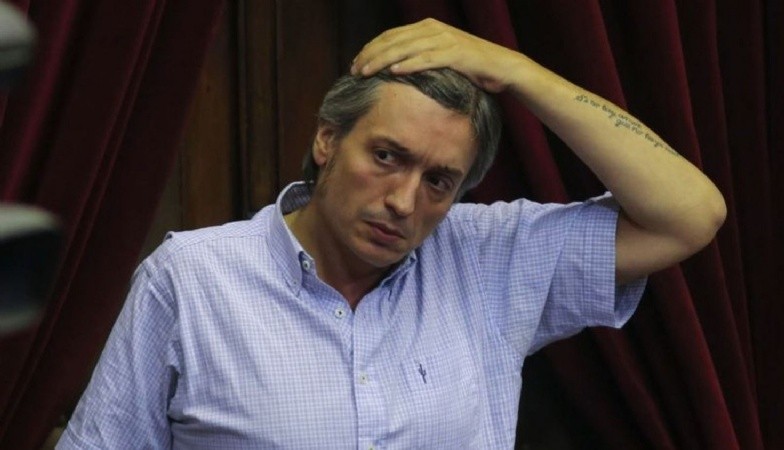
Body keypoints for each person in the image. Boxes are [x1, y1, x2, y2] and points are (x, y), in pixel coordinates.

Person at [57, 18, 726, 449]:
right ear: (327, 140)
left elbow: (689, 214)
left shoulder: (487, 257)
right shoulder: (193, 279)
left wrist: (520, 72)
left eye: (439, 181)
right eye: (386, 156)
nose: (404, 202)